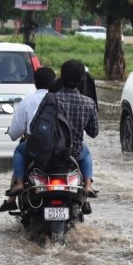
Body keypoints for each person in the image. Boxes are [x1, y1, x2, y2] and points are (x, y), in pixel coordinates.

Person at [0, 66, 56, 212]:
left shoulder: (27, 101)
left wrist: (12, 133)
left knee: (19, 152)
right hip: (60, 146)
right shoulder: (60, 99)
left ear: (35, 83)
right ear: (54, 81)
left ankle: (17, 186)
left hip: (35, 146)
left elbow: (15, 134)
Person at [48, 60, 98, 197]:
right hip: (74, 153)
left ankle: (18, 183)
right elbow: (94, 132)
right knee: (86, 152)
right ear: (82, 79)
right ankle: (88, 184)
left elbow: (36, 124)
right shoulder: (89, 103)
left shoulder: (50, 99)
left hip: (49, 151)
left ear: (61, 77)